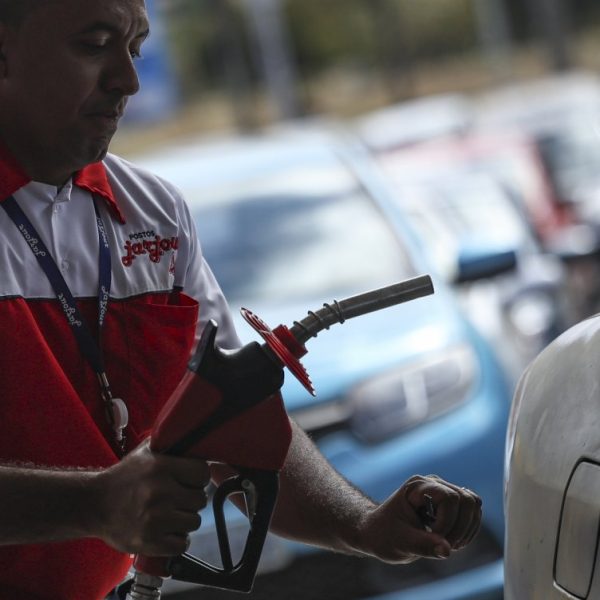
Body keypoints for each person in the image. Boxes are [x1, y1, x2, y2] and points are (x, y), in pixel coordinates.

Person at [0, 1, 483, 599]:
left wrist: (363, 526)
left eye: (136, 48)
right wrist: (95, 504)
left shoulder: (153, 212)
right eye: (95, 45)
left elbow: (232, 418)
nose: (128, 79)